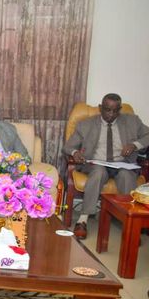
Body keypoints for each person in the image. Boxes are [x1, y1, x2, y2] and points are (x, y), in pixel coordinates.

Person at [62, 93, 149, 239]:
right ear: (100, 108)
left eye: (115, 111)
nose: (111, 114)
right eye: (107, 110)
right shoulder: (86, 124)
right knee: (98, 172)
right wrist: (75, 152)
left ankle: (130, 224)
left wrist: (135, 145)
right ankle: (83, 220)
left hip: (123, 163)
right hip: (96, 164)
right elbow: (68, 146)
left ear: (120, 110)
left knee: (126, 175)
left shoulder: (132, 121)